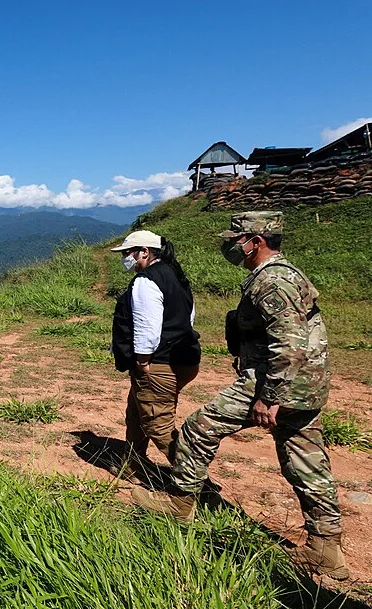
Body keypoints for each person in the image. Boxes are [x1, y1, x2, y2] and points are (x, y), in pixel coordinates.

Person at [134, 211, 347, 579]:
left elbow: (289, 341)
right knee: (304, 459)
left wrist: (270, 395)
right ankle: (326, 546)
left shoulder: (274, 281)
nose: (232, 246)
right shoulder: (283, 275)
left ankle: (181, 503)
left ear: (257, 241)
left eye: (237, 239)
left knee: (198, 428)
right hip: (306, 385)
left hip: (275, 383)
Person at [108, 230, 201, 482]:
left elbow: (147, 326)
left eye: (128, 253)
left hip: (159, 362)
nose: (126, 258)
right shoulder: (175, 276)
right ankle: (132, 465)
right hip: (184, 357)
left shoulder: (146, 280)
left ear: (144, 252)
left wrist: (143, 360)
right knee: (137, 412)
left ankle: (194, 481)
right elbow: (188, 318)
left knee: (158, 424)